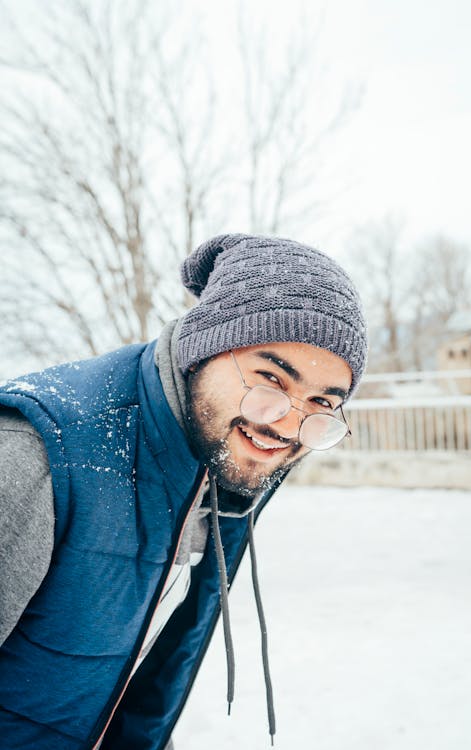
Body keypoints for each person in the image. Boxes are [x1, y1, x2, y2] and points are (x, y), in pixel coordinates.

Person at [0, 233, 367, 749]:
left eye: (321, 403)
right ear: (203, 350)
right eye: (271, 378)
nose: (288, 423)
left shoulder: (214, 467)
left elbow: (132, 671)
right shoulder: (33, 452)